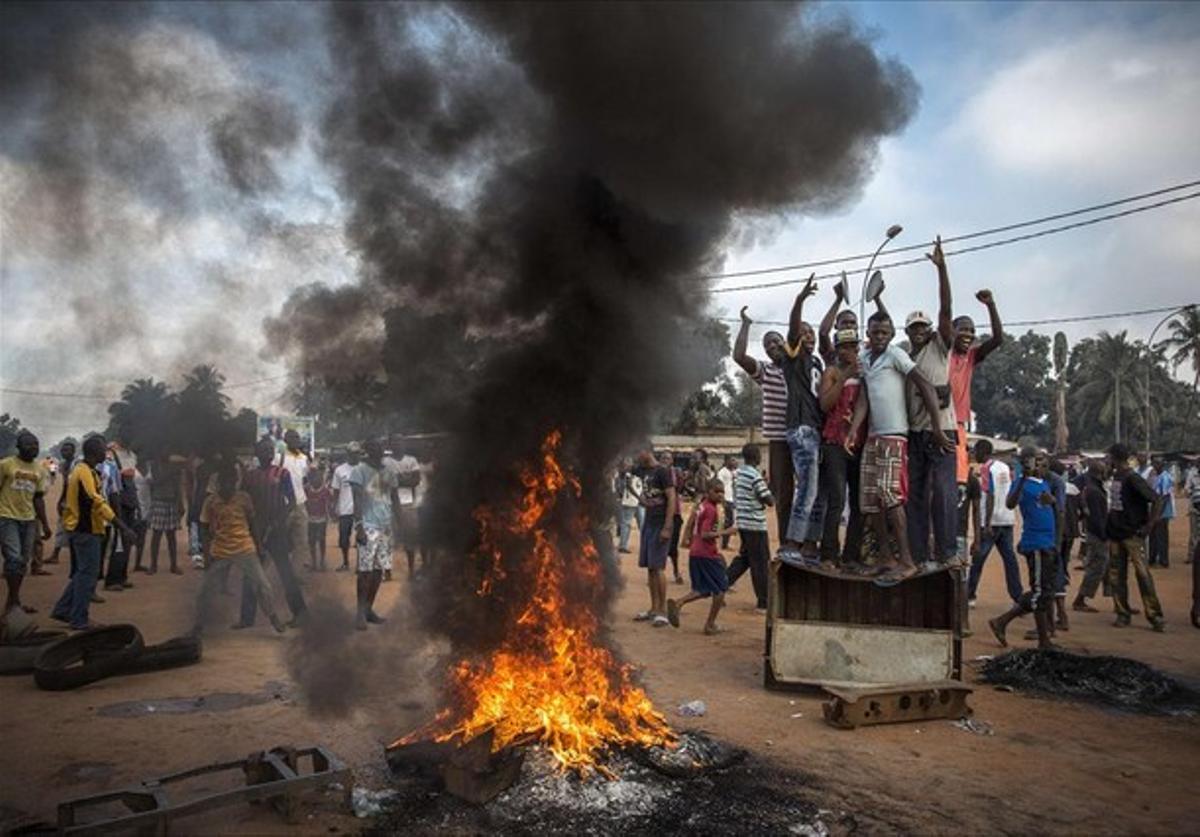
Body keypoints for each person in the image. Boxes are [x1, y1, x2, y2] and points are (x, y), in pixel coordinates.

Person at [847, 312, 951, 583]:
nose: (879, 337)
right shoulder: (866, 360)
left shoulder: (896, 355)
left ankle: (906, 560)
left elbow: (926, 386)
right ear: (867, 334)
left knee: (890, 496)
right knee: (871, 501)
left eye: (884, 332)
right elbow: (864, 400)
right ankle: (885, 557)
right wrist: (852, 431)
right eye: (875, 332)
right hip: (872, 436)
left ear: (891, 334)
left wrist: (937, 428)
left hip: (895, 436)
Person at [902, 236, 961, 569]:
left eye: (923, 326)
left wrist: (942, 269)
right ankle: (921, 555)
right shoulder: (906, 356)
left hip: (943, 431)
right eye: (915, 327)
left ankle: (948, 551)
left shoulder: (940, 346)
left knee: (944, 493)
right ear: (908, 331)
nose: (920, 330)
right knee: (916, 497)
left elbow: (946, 311)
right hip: (916, 433)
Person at [51, 436, 135, 631]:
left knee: (83, 573)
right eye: (102, 450)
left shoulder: (89, 471)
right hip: (84, 529)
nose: (105, 453)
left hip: (88, 529)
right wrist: (121, 526)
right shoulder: (83, 472)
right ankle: (79, 618)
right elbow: (95, 500)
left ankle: (63, 609)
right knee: (87, 575)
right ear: (93, 452)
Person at [193, 465, 286, 636]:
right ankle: (198, 625)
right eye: (224, 482)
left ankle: (274, 618)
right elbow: (204, 530)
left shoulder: (244, 498)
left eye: (231, 482)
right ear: (219, 483)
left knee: (263, 585)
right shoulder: (211, 501)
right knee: (205, 590)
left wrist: (258, 547)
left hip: (244, 547)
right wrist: (206, 556)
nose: (228, 485)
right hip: (220, 550)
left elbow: (252, 524)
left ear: (236, 482)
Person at [986, 448, 1059, 649]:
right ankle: (1007, 623)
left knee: (1045, 592)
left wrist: (1052, 502)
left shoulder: (1044, 483)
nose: (1043, 465)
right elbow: (1010, 504)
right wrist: (1023, 480)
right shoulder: (1021, 482)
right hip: (1036, 543)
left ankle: (1007, 623)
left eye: (1044, 462)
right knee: (1039, 592)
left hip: (1048, 542)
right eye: (1039, 461)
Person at [733, 307, 793, 542]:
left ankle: (807, 542)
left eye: (776, 342)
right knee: (783, 494)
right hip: (779, 439)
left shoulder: (801, 366)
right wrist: (746, 325)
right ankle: (787, 542)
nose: (771, 347)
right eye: (767, 345)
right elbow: (739, 357)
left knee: (812, 491)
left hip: (806, 436)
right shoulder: (766, 371)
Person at [778, 276, 826, 560]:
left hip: (816, 429)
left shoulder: (817, 362)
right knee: (806, 488)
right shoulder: (793, 358)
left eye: (812, 333)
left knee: (817, 491)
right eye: (804, 332)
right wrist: (800, 300)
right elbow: (793, 331)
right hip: (801, 428)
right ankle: (792, 543)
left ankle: (809, 543)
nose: (808, 336)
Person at [236, 439, 306, 629]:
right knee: (250, 573)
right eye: (262, 450)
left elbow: (291, 501)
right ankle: (246, 618)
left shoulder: (282, 474)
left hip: (277, 532)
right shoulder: (249, 477)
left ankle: (300, 614)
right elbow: (242, 501)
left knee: (286, 573)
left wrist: (278, 521)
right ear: (256, 454)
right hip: (255, 531)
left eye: (269, 450)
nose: (266, 453)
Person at [817, 327, 865, 565]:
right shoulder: (833, 373)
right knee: (836, 499)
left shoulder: (865, 373)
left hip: (860, 444)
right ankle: (829, 553)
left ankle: (852, 554)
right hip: (835, 442)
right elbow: (825, 404)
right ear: (837, 350)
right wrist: (845, 376)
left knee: (858, 502)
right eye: (845, 347)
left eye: (854, 346)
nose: (851, 351)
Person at [1105, 443, 1165, 631]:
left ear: (1115, 458)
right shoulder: (1116, 476)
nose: (1107, 461)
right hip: (1115, 533)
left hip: (1132, 534)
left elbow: (1156, 499)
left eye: (1108, 457)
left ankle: (1155, 616)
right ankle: (1122, 613)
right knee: (1116, 576)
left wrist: (1149, 526)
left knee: (1143, 575)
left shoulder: (1133, 478)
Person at [948, 290, 1005, 486]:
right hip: (936, 420)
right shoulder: (942, 354)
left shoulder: (971, 356)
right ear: (951, 331)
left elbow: (998, 339)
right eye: (963, 329)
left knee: (958, 477)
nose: (968, 334)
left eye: (972, 331)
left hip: (958, 422)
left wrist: (991, 305)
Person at [667, 479, 736, 634]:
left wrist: (686, 538)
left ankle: (679, 603)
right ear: (708, 491)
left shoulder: (701, 506)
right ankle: (710, 624)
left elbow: (692, 522)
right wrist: (726, 532)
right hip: (706, 553)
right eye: (717, 491)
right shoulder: (710, 510)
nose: (720, 495)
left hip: (696, 553)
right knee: (720, 590)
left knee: (703, 589)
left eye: (722, 492)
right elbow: (705, 534)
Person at [1, 431, 52, 615]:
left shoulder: (40, 470)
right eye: (29, 444)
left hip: (29, 519)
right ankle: (13, 604)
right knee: (13, 559)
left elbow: (38, 499)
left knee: (22, 562)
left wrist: (45, 524)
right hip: (7, 517)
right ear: (18, 446)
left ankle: (13, 602)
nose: (33, 448)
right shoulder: (6, 465)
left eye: (36, 444)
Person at [350, 439, 399, 630]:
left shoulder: (389, 472)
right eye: (373, 447)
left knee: (379, 570)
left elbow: (394, 499)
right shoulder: (359, 471)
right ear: (367, 450)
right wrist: (359, 526)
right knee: (365, 571)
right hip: (368, 526)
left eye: (380, 447)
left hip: (386, 526)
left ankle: (369, 609)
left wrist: (401, 525)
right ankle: (359, 613)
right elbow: (357, 501)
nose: (378, 450)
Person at [967, 441, 1023, 605]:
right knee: (1010, 560)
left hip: (991, 521)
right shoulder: (1003, 467)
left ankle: (970, 595)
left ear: (982, 452)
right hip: (1007, 518)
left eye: (975, 451)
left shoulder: (986, 468)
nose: (973, 454)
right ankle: (1017, 596)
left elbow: (989, 495)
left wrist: (988, 522)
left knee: (978, 558)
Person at [726, 443, 773, 610]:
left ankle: (721, 584)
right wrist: (770, 489)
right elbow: (769, 501)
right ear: (755, 456)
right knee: (760, 563)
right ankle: (763, 602)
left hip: (744, 523)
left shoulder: (739, 474)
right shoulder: (755, 476)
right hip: (755, 525)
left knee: (745, 559)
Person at [635, 450, 676, 627]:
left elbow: (672, 498)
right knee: (650, 568)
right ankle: (653, 609)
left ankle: (662, 612)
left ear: (646, 451)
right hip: (649, 523)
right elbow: (647, 494)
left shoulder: (662, 471)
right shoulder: (645, 472)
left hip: (660, 524)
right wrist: (642, 500)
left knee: (658, 567)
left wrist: (667, 526)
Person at [1072, 458, 1110, 613]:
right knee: (1097, 566)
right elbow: (1096, 518)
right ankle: (1081, 598)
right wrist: (1104, 535)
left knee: (1104, 566)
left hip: (1096, 532)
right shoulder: (1094, 491)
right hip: (1097, 534)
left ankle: (1118, 600)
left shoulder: (1093, 487)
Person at [147, 452, 185, 575]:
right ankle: (153, 565)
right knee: (156, 535)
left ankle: (173, 565)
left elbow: (178, 486)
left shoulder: (172, 467)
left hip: (171, 501)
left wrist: (180, 503)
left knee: (171, 536)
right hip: (159, 500)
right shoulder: (154, 465)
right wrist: (171, 472)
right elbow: (156, 480)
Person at [279, 429, 311, 577]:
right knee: (280, 540)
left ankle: (295, 575)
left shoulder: (304, 458)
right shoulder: (278, 458)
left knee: (302, 542)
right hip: (283, 505)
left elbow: (304, 480)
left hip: (300, 504)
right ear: (285, 440)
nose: (295, 440)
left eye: (297, 437)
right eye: (292, 437)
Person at [388, 446, 422, 578]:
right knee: (389, 540)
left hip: (408, 504)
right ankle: (387, 571)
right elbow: (386, 481)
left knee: (410, 538)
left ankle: (411, 570)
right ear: (391, 443)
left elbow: (416, 480)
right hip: (390, 505)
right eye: (394, 441)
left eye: (400, 441)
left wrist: (396, 479)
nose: (398, 444)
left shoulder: (411, 460)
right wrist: (405, 478)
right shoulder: (386, 462)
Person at [330, 443, 362, 571]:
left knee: (361, 538)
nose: (355, 456)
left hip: (361, 509)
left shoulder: (364, 469)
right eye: (352, 453)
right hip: (345, 508)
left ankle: (360, 564)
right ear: (348, 454)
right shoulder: (340, 470)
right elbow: (336, 490)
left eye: (357, 453)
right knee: (344, 538)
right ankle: (345, 562)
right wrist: (334, 507)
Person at [47, 437, 79, 566]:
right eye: (63, 450)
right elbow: (56, 480)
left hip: (75, 499)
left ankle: (63, 554)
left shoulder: (77, 464)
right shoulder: (60, 464)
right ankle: (55, 554)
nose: (64, 452)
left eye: (67, 450)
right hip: (66, 499)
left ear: (73, 451)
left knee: (75, 527)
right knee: (62, 526)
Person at [660, 451, 686, 585]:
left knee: (673, 546)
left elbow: (680, 489)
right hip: (659, 514)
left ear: (672, 461)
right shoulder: (656, 474)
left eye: (668, 458)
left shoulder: (675, 474)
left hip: (675, 514)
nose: (665, 460)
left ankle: (676, 572)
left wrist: (682, 479)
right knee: (659, 545)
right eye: (663, 458)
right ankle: (658, 574)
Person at [1148, 456, 1174, 568]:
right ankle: (1152, 558)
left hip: (1162, 512)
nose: (1155, 466)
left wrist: (1158, 514)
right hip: (1155, 510)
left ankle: (1164, 560)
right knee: (1153, 535)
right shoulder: (1155, 477)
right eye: (1154, 463)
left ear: (1162, 465)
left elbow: (1164, 498)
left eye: (1157, 464)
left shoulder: (1165, 477)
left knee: (1161, 536)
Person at [305, 467, 333, 571]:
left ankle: (322, 561)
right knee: (311, 541)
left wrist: (331, 513)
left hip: (322, 519)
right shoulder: (307, 489)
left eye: (318, 478)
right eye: (314, 478)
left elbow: (330, 503)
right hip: (310, 519)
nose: (316, 480)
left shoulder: (325, 491)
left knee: (321, 540)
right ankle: (314, 562)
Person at [615, 458, 643, 554]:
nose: (629, 465)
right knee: (627, 523)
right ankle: (623, 545)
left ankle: (625, 545)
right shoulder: (624, 475)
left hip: (637, 502)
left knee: (640, 524)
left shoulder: (637, 474)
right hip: (631, 502)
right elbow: (624, 487)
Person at [716, 455, 737, 549]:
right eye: (732, 460)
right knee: (727, 522)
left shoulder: (734, 472)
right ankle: (724, 544)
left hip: (733, 499)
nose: (734, 462)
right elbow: (719, 486)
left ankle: (725, 543)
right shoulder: (722, 472)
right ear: (726, 461)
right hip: (726, 499)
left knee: (731, 521)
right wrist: (722, 500)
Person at [1186, 462, 1200, 565]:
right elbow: (1186, 489)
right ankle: (1192, 556)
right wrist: (1191, 492)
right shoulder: (1192, 473)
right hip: (1194, 507)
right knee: (1194, 533)